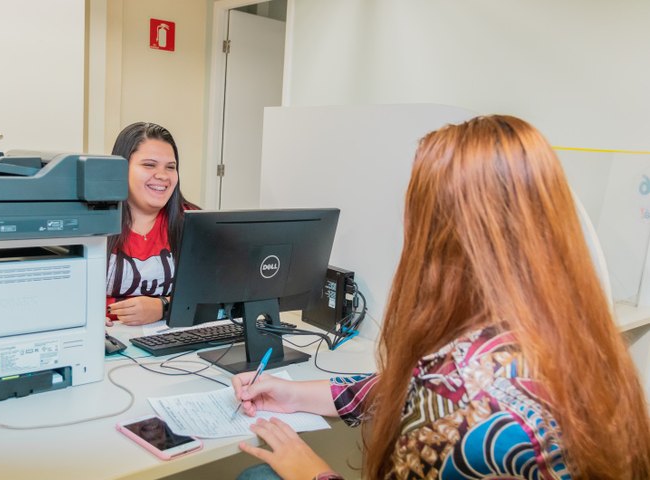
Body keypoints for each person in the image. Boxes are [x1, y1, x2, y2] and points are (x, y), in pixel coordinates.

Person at [233, 115, 650, 479]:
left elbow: (440, 395)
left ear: (445, 232)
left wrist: (313, 471)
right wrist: (296, 393)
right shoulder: (570, 334)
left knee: (258, 474)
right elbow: (407, 391)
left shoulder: (464, 398)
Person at [106, 122, 197, 326]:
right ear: (122, 167)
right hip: (109, 339)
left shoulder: (193, 220)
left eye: (170, 167)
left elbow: (216, 295)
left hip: (173, 338)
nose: (163, 176)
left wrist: (164, 306)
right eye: (149, 165)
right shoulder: (91, 222)